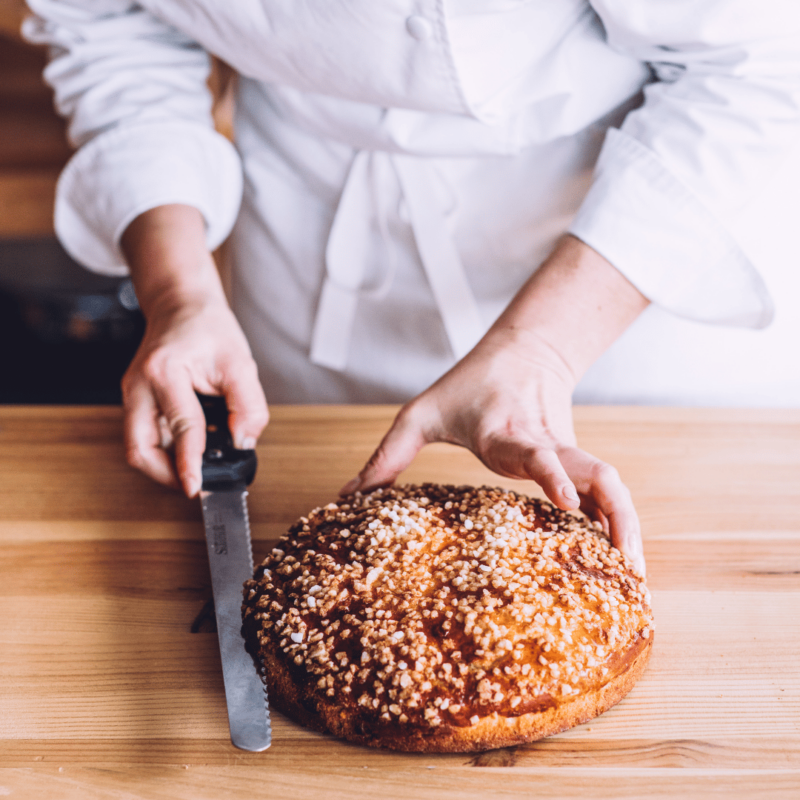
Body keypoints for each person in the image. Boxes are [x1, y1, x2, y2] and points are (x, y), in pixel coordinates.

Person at [24, 0, 800, 577]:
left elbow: (761, 63)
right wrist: (180, 294)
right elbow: (112, 29)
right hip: (307, 232)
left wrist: (542, 349)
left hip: (626, 268)